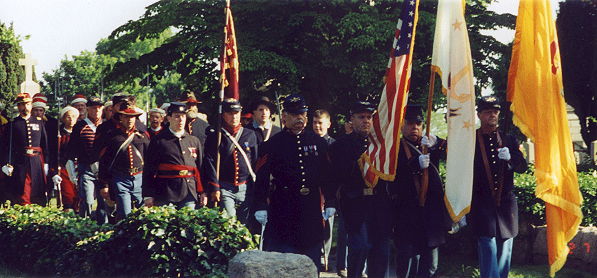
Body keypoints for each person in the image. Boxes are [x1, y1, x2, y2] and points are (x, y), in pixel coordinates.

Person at [253, 94, 336, 270]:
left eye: (303, 114)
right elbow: (262, 178)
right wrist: (260, 205)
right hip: (283, 209)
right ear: (284, 116)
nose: (300, 118)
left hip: (310, 210)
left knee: (311, 262)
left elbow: (327, 176)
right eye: (294, 114)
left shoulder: (318, 143)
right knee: (283, 263)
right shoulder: (273, 144)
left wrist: (330, 201)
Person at [329, 101, 393, 278]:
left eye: (369, 117)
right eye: (361, 117)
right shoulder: (339, 146)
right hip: (355, 204)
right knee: (360, 247)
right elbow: (334, 178)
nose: (366, 121)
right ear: (352, 120)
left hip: (379, 205)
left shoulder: (382, 146)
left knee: (380, 251)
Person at [469, 96, 528, 278]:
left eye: (495, 111)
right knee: (487, 244)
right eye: (487, 112)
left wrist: (510, 158)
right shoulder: (471, 140)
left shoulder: (509, 139)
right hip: (481, 202)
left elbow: (522, 167)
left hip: (505, 203)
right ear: (479, 115)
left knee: (505, 247)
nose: (492, 115)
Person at [391, 104, 451, 278]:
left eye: (418, 124)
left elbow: (454, 151)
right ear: (403, 125)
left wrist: (436, 143)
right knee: (407, 263)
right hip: (407, 214)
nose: (414, 127)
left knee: (430, 265)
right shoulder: (395, 148)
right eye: (410, 123)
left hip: (431, 216)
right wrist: (414, 164)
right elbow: (393, 178)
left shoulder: (431, 144)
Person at [143, 102, 207, 209]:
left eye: (183, 116)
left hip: (189, 191)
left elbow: (201, 167)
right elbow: (149, 169)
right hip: (166, 192)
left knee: (187, 224)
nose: (181, 120)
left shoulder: (193, 141)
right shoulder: (159, 140)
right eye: (177, 116)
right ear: (169, 118)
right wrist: (148, 194)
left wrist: (204, 191)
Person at [204, 98, 258, 223]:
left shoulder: (250, 134)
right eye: (230, 113)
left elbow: (255, 160)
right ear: (223, 115)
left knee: (244, 223)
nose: (234, 117)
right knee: (230, 222)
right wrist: (215, 187)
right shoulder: (215, 136)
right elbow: (210, 161)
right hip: (225, 187)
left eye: (236, 113)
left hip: (245, 187)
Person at [0, 93, 57, 205]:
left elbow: (44, 145)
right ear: (18, 106)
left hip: (37, 161)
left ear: (31, 105)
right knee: (22, 190)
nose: (25, 107)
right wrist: (6, 163)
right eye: (22, 104)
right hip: (20, 162)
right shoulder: (12, 124)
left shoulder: (39, 122)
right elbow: (7, 147)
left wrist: (46, 163)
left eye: (27, 104)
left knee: (38, 189)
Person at [98, 101, 150, 219]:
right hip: (120, 178)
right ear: (121, 117)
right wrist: (103, 184)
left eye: (132, 117)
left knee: (142, 213)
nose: (130, 120)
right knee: (125, 214)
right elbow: (104, 161)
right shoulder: (112, 136)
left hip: (139, 177)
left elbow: (149, 158)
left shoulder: (142, 135)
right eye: (126, 116)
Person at [67, 96, 108, 223]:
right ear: (88, 109)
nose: (97, 111)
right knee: (87, 199)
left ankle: (103, 227)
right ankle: (85, 225)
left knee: (104, 201)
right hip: (86, 168)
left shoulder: (106, 126)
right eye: (94, 108)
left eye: (99, 108)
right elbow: (72, 149)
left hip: (104, 169)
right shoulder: (80, 126)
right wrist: (71, 168)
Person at [312, 109, 336, 271]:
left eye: (320, 123)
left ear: (328, 124)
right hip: (311, 189)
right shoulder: (307, 141)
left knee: (327, 224)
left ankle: (323, 255)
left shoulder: (334, 145)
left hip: (329, 189)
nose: (317, 126)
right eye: (314, 122)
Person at [31, 93, 60, 193]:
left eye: (40, 110)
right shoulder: (28, 123)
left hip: (48, 153)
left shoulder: (52, 122)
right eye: (36, 110)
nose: (38, 113)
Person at [57, 106, 80, 211]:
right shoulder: (59, 134)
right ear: (63, 118)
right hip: (64, 168)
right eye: (68, 117)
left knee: (79, 195)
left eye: (73, 117)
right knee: (68, 195)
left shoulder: (81, 132)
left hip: (79, 167)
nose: (71, 120)